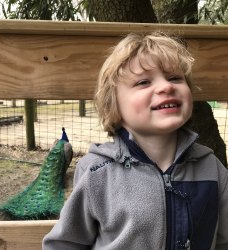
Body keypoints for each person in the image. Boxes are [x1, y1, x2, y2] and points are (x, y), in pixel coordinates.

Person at [42, 32, 228, 250]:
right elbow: (64, 244)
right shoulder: (97, 171)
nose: (166, 87)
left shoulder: (211, 168)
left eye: (175, 78)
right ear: (115, 106)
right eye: (143, 82)